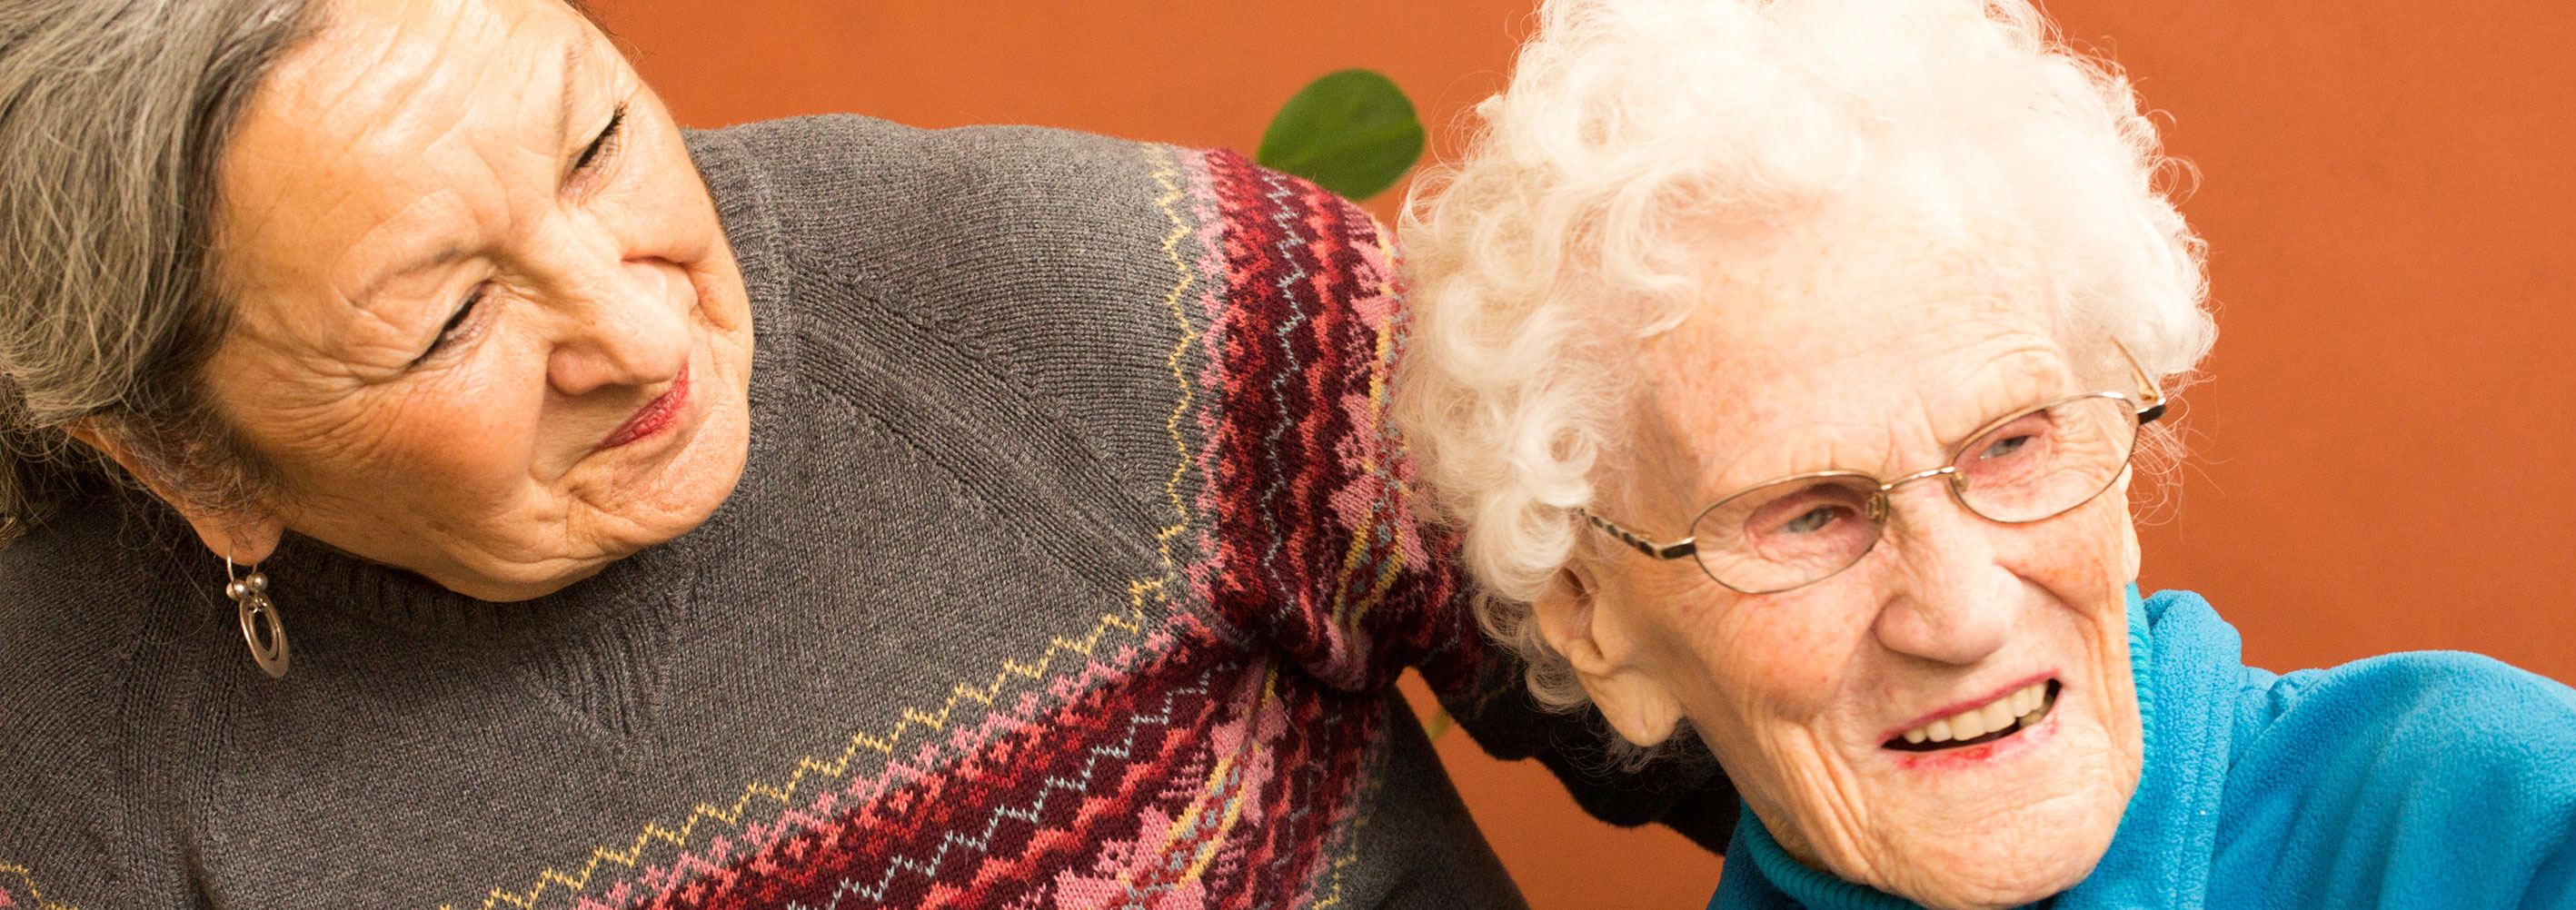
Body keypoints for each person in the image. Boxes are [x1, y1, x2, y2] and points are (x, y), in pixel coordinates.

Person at [0, 0, 1736, 906]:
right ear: (183, 461)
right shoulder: (60, 750)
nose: (638, 324)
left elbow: (1799, 711)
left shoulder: (1112, 296)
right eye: (448, 322)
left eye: (600, 140)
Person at [1392, 0, 2576, 908]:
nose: (1963, 613)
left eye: (2012, 444)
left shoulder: (2500, 830)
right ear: (1592, 616)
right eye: (1807, 515)